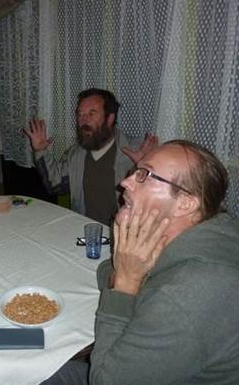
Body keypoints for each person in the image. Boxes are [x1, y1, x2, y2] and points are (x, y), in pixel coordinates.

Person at [43, 140, 239, 385]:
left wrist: (127, 283)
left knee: (31, 372)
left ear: (185, 203)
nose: (125, 182)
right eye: (135, 171)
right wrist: (128, 274)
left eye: (145, 174)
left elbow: (105, 381)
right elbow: (107, 271)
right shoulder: (203, 234)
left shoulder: (189, 295)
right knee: (44, 368)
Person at [24, 88, 157, 225]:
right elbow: (55, 185)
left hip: (124, 234)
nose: (83, 120)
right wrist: (40, 150)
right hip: (85, 231)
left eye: (91, 114)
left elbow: (158, 204)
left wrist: (146, 169)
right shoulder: (75, 154)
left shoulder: (137, 151)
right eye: (80, 114)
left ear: (110, 119)